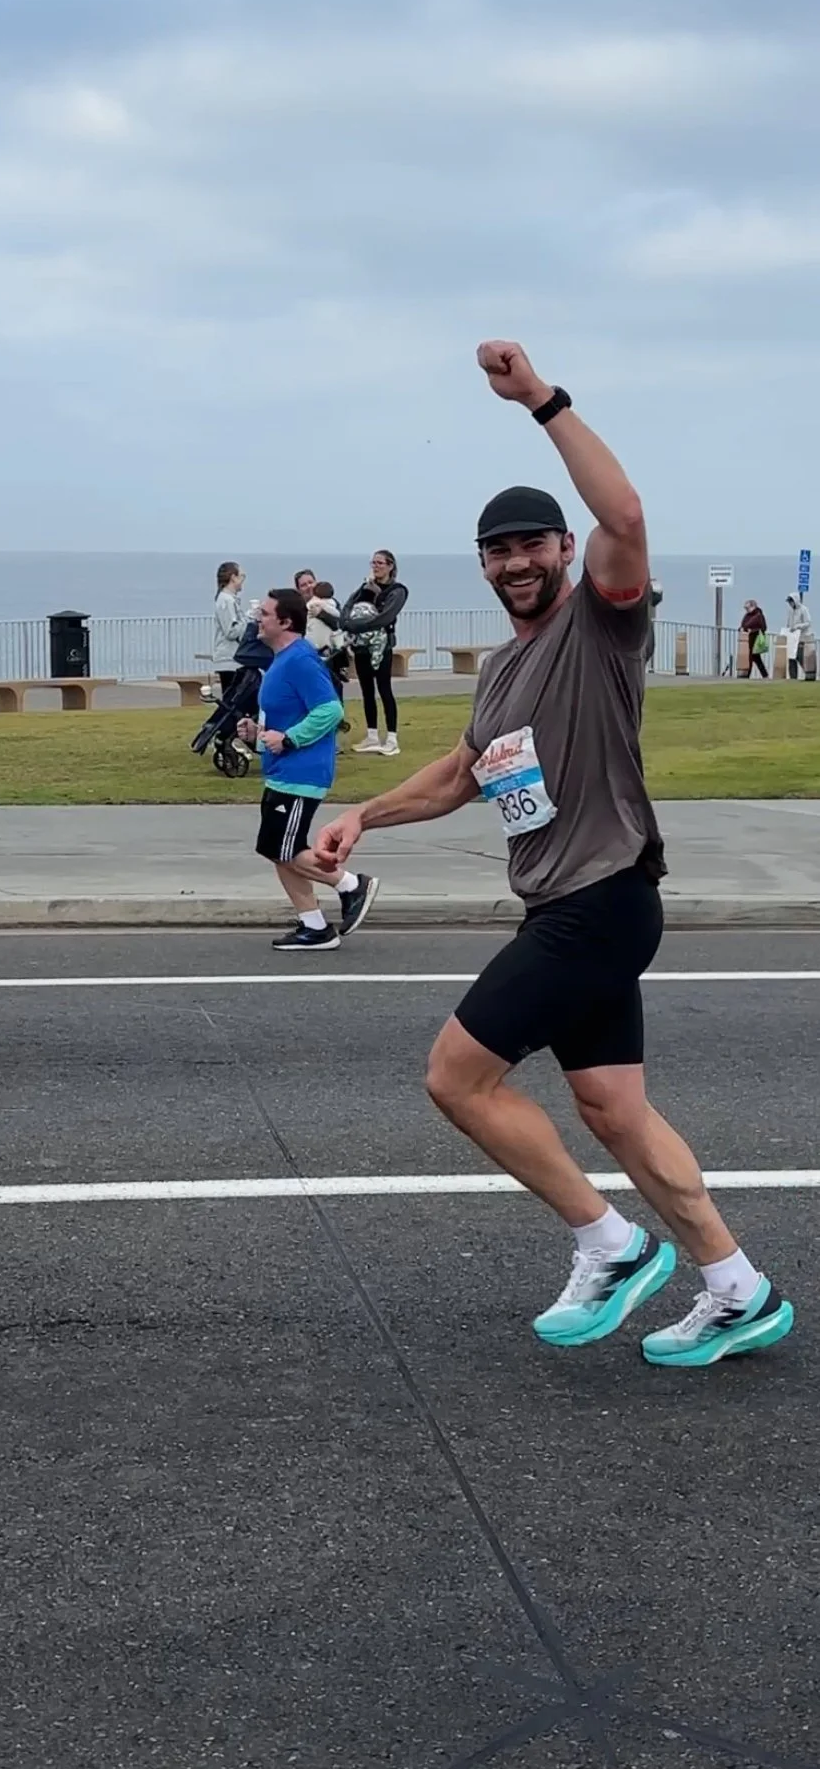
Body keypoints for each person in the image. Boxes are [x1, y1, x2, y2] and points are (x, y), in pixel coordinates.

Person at [315, 341, 792, 1369]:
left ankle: (609, 1244)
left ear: (563, 549)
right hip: (566, 907)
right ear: (483, 564)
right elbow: (459, 773)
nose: (517, 561)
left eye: (533, 543)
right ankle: (736, 1286)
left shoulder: (601, 623)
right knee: (613, 1107)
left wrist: (540, 398)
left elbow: (628, 517)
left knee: (456, 1076)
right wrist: (363, 816)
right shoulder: (504, 672)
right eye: (498, 550)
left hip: (602, 898)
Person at [237, 588, 378, 951]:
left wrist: (290, 740)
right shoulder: (280, 661)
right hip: (283, 771)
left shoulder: (300, 659)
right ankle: (314, 926)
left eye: (265, 614)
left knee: (279, 847)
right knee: (279, 848)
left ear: (285, 622)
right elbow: (282, 720)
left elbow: (330, 711)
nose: (258, 618)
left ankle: (351, 886)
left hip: (302, 773)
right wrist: (258, 734)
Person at [337, 552, 408, 757]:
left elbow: (385, 617)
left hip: (382, 647)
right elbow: (348, 608)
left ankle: (392, 738)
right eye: (373, 563)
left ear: (390, 566)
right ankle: (372, 735)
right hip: (361, 647)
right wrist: (347, 623)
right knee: (367, 691)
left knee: (384, 690)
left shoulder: (398, 590)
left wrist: (357, 626)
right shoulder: (365, 587)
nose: (375, 567)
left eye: (380, 563)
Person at [212, 563, 248, 695]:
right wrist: (248, 621)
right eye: (242, 576)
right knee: (232, 702)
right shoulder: (226, 600)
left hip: (232, 659)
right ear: (233, 577)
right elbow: (231, 632)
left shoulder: (228, 600)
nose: (243, 580)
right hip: (229, 660)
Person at [784, 593, 814, 680]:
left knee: (800, 656)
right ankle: (793, 677)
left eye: (791, 602)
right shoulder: (790, 611)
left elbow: (808, 623)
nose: (790, 604)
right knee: (791, 656)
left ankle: (809, 673)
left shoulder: (803, 609)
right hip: (793, 637)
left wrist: (798, 626)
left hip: (802, 637)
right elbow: (789, 622)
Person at [740, 599, 770, 680]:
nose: (746, 610)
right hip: (748, 638)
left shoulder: (758, 615)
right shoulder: (747, 616)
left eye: (747, 608)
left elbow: (763, 627)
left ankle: (747, 675)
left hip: (755, 638)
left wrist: (752, 630)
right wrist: (742, 629)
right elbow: (743, 625)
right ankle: (764, 675)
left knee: (753, 657)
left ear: (753, 606)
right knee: (755, 657)